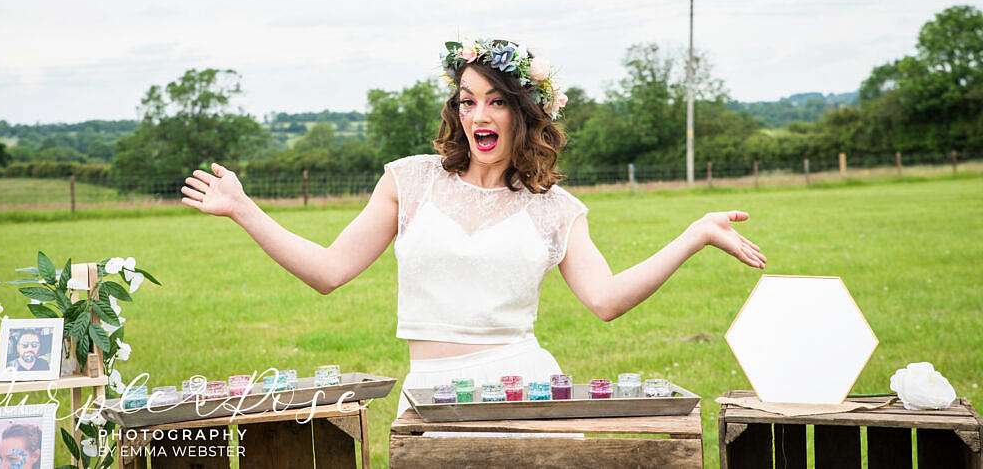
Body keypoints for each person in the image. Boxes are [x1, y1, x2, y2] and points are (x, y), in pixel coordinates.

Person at [181, 38, 766, 416]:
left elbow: (606, 301)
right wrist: (243, 208)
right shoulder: (408, 181)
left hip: (525, 394)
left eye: (494, 102)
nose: (477, 115)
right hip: (429, 395)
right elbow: (329, 271)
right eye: (466, 101)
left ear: (523, 112)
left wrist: (695, 234)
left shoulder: (555, 208)